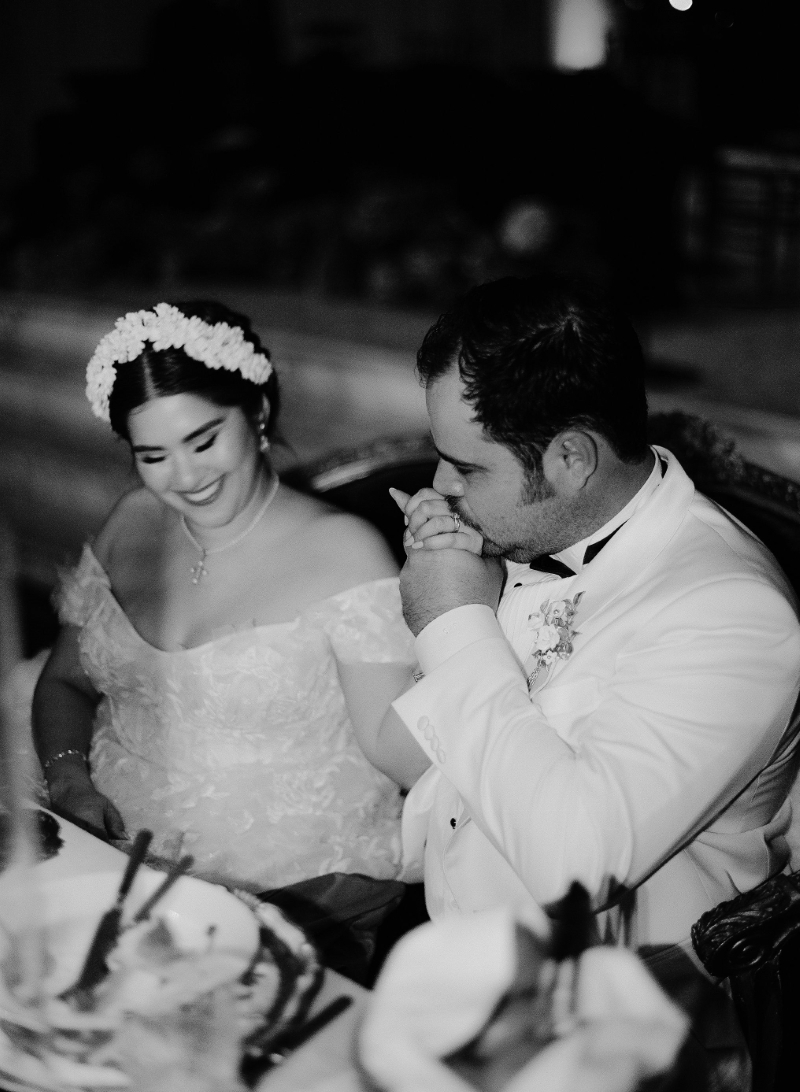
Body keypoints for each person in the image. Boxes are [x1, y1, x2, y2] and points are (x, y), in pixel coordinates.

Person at [375, 275, 800, 951]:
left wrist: (453, 624)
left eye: (468, 468)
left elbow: (576, 867)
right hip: (450, 953)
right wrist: (463, 603)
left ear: (572, 457)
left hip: (622, 1011)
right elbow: (401, 761)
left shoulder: (731, 613)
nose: (442, 489)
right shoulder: (527, 536)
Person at [32, 300, 415, 892]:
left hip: (287, 886)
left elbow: (404, 757)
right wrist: (70, 782)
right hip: (103, 849)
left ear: (257, 411)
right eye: (153, 456)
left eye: (203, 441)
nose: (184, 478)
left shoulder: (345, 552)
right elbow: (64, 682)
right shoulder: (130, 520)